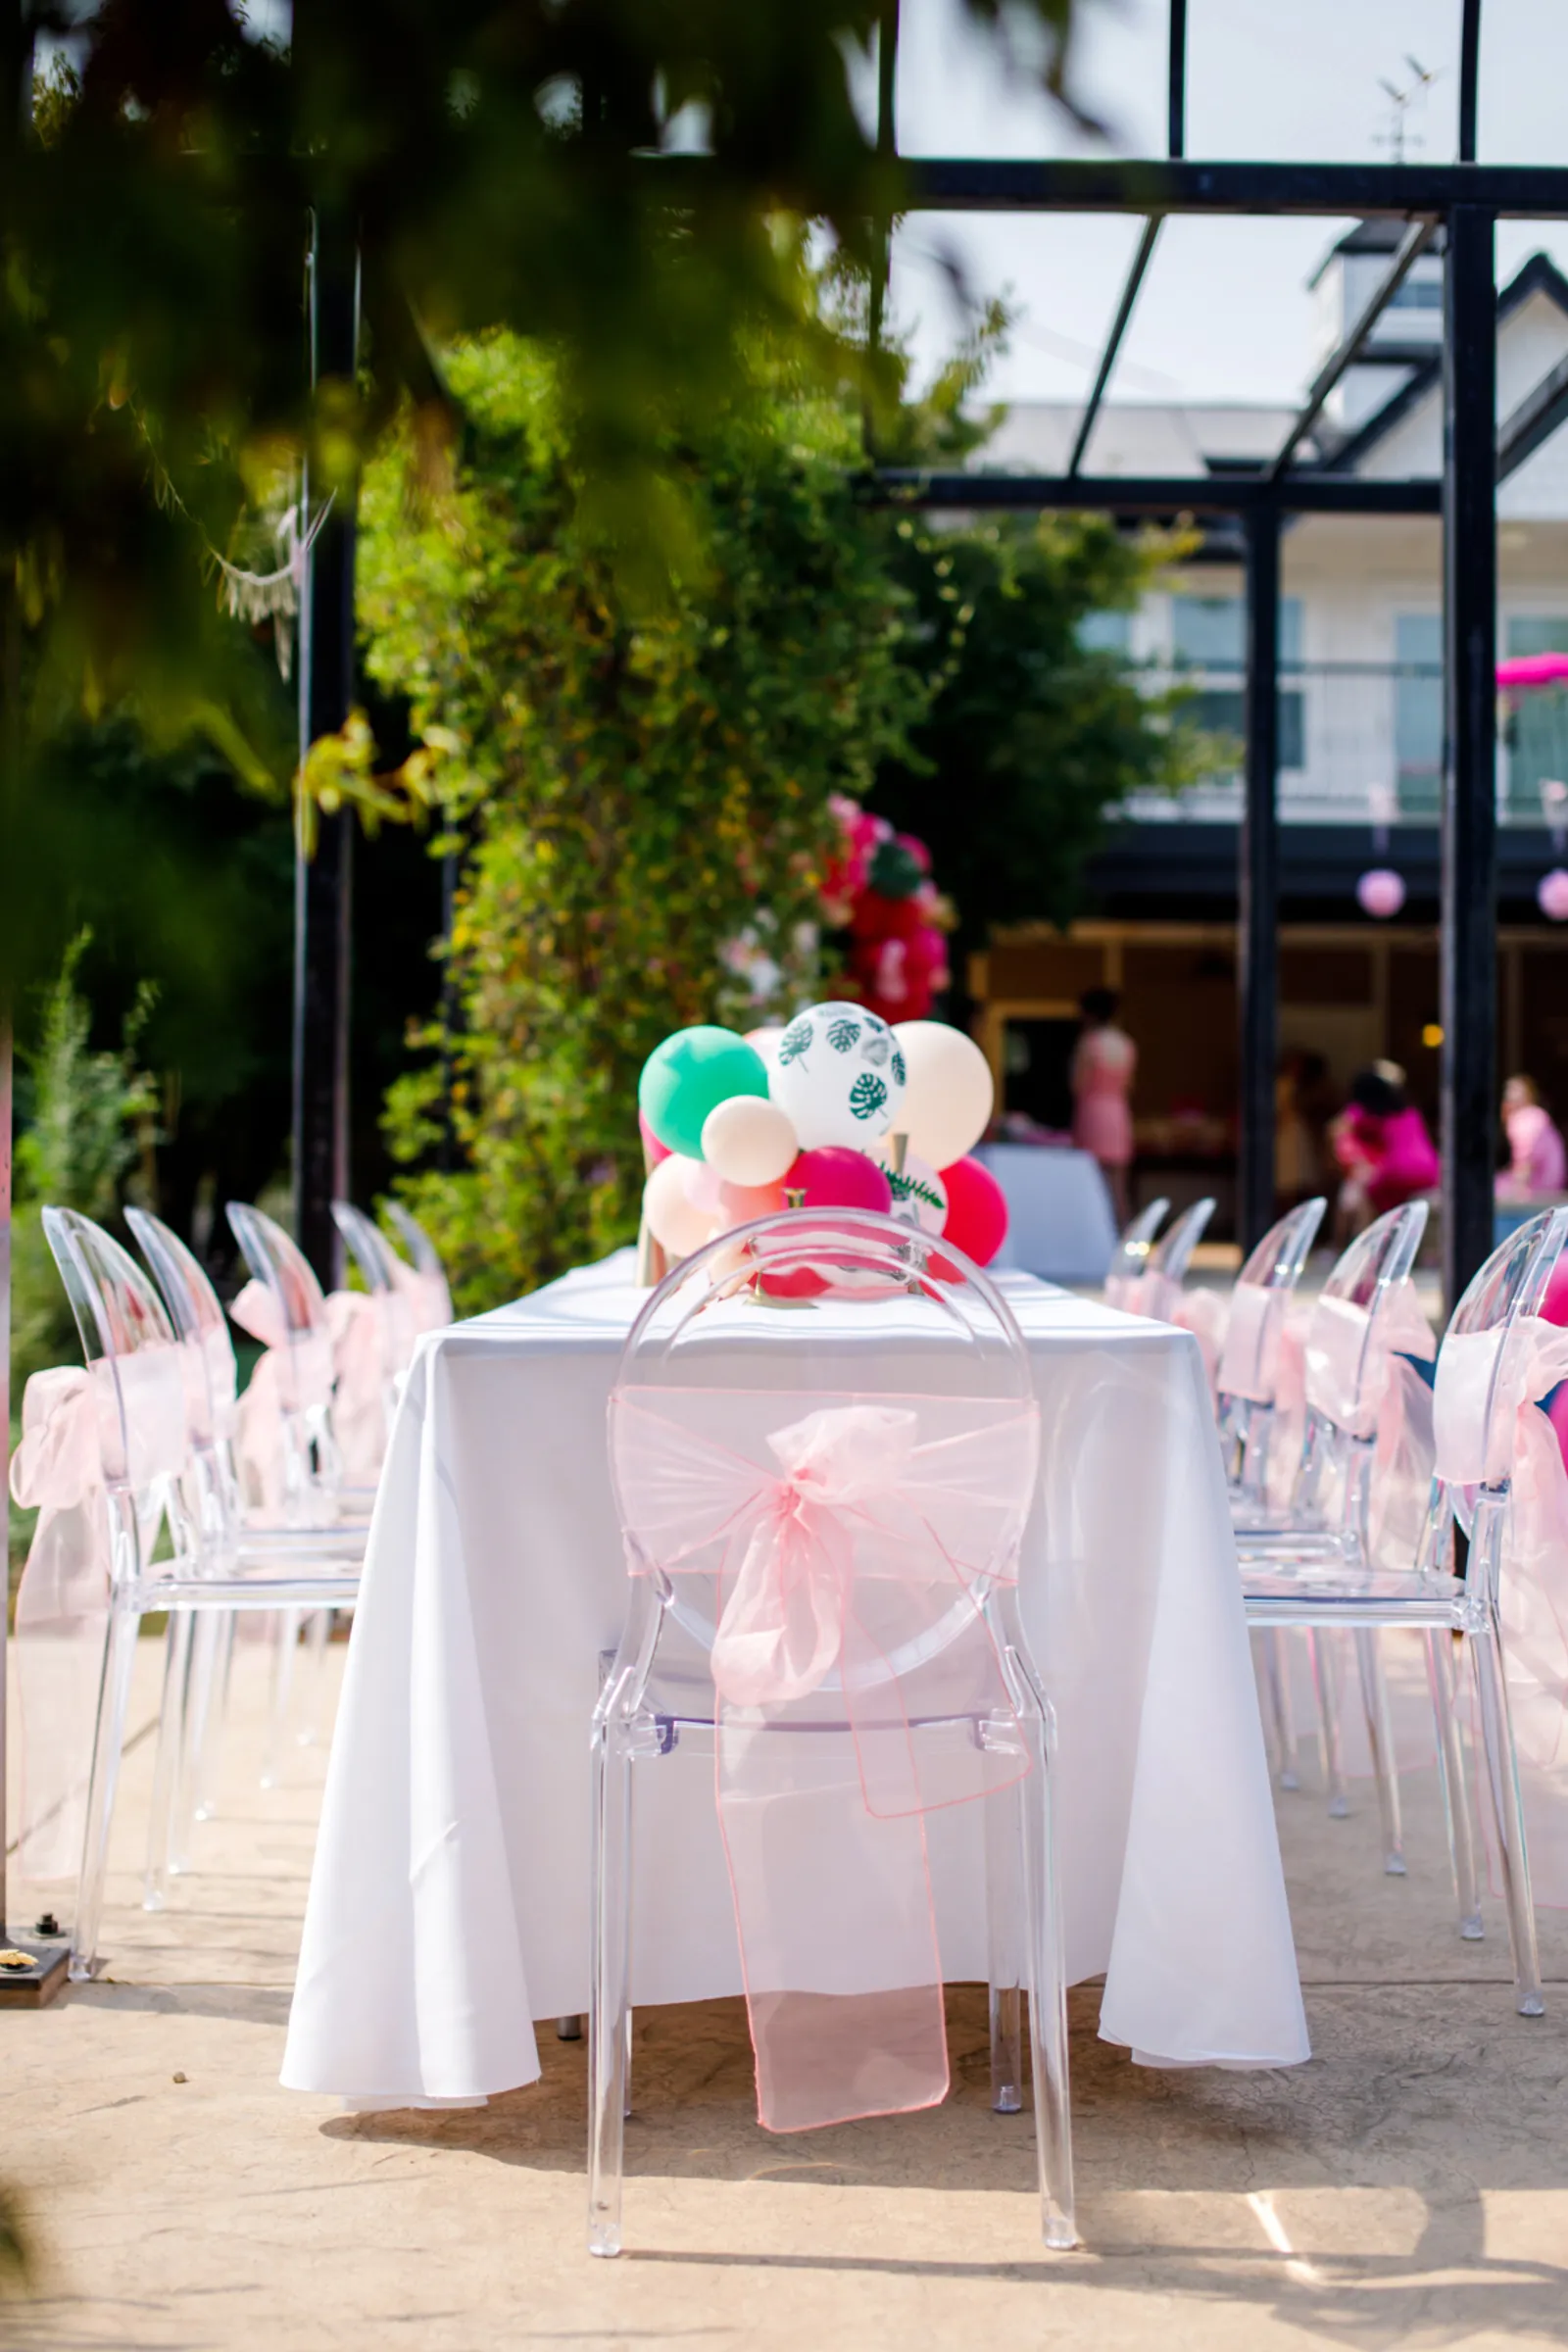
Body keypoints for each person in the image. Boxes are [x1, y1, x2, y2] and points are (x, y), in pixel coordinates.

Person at [1330, 1061, 1440, 1242]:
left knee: (1364, 1194)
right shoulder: (1409, 1109)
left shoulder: (1366, 1113)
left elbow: (1338, 1131)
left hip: (1395, 1171)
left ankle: (1369, 1242)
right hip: (1430, 1171)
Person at [1070, 987, 1137, 1224]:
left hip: (1093, 1113)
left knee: (1091, 1183)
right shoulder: (1126, 1044)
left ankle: (1094, 1232)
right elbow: (1129, 1084)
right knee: (1119, 1187)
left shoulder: (1089, 1044)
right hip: (1117, 1112)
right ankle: (1125, 1233)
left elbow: (1078, 1084)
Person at [1498, 1074, 1568, 1199]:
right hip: (1554, 1182)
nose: (1509, 1094)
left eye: (1514, 1090)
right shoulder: (1536, 1114)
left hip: (1541, 1186)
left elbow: (1526, 1158)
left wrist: (1518, 1191)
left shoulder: (1526, 1117)